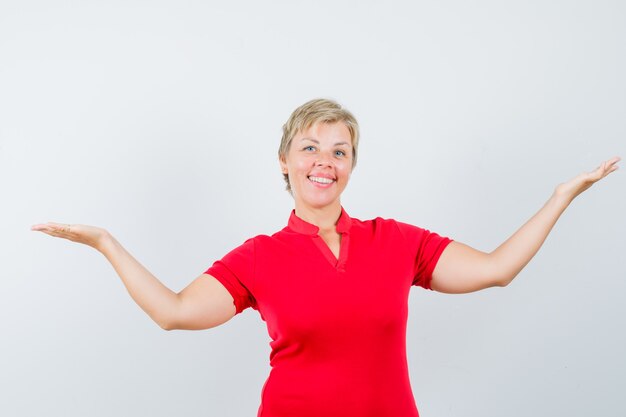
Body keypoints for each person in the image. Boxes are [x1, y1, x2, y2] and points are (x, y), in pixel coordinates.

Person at [31, 98, 620, 417]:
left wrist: (560, 197)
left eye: (340, 150)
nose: (324, 159)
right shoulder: (259, 257)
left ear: (351, 167)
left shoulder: (396, 241)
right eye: (309, 146)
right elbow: (175, 311)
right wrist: (107, 243)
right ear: (284, 163)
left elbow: (496, 269)